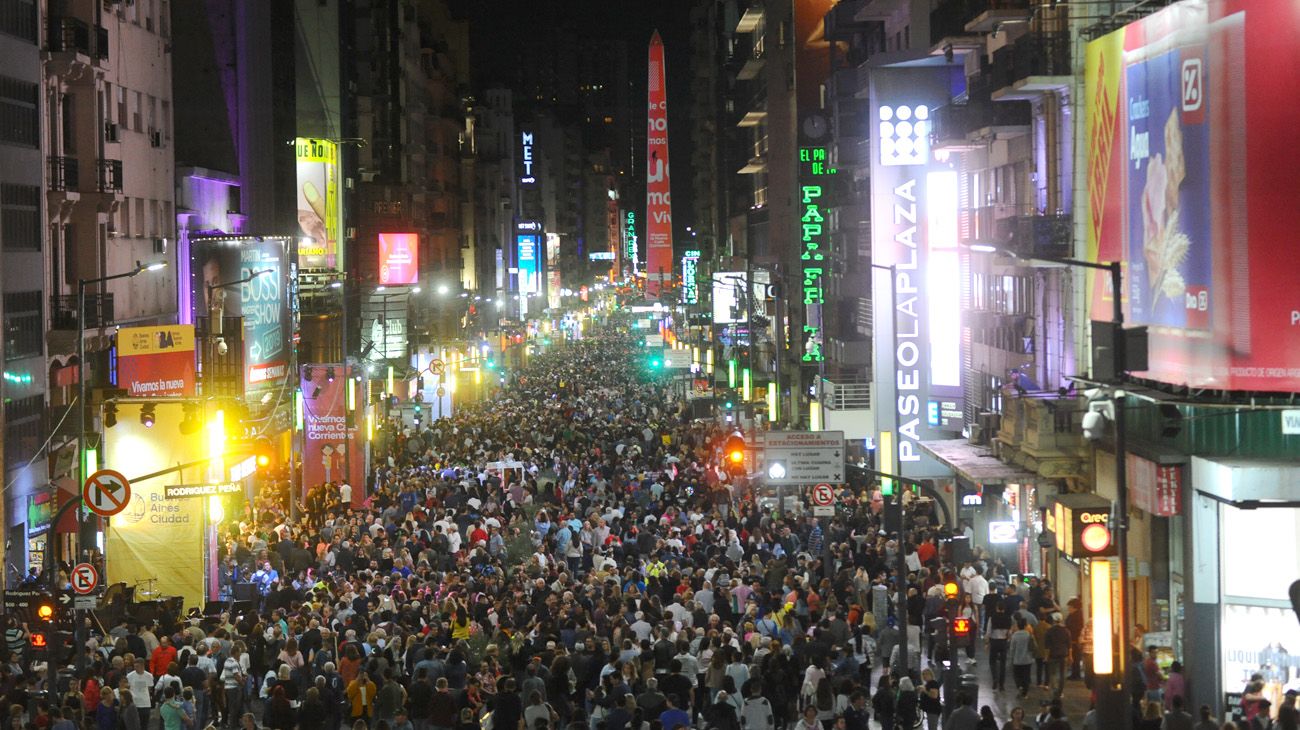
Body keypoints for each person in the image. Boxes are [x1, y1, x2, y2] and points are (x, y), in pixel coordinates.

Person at [1044, 613, 1072, 699]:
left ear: (1053, 620)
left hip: (1052, 655)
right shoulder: (1066, 631)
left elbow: (1047, 647)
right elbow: (1069, 646)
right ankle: (1060, 691)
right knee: (1062, 674)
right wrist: (1070, 656)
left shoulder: (1049, 631)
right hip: (1064, 655)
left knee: (1053, 674)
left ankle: (1055, 690)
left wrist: (1046, 657)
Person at [1009, 618, 1037, 698]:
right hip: (1027, 660)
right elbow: (1034, 646)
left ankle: (1019, 686)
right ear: (1025, 626)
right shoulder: (1028, 635)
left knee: (1017, 675)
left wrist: (1011, 659)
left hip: (1017, 660)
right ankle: (1025, 693)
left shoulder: (1015, 635)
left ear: (1018, 626)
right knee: (1026, 676)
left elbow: (1012, 648)